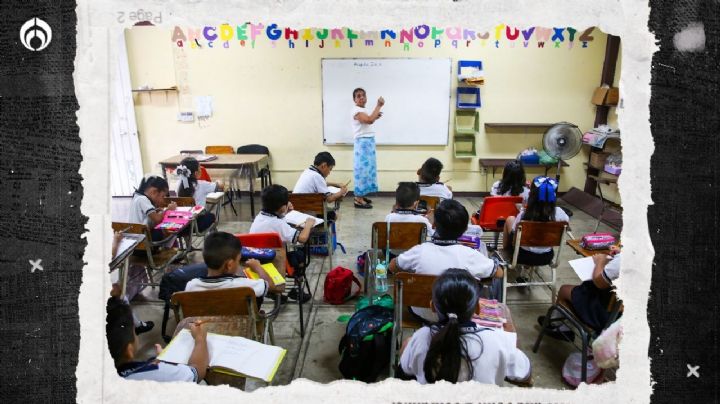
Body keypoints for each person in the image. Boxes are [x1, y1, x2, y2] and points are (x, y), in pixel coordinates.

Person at [398, 268, 532, 386]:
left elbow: (404, 373)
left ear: (432, 306)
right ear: (478, 308)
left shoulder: (420, 338)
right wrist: (510, 331)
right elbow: (526, 376)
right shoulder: (497, 341)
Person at [389, 199, 502, 321]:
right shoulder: (470, 255)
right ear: (465, 230)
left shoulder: (419, 251)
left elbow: (392, 266)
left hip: (421, 313)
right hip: (461, 315)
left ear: (433, 225)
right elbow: (499, 273)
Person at [106, 297, 208, 382]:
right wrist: (200, 338)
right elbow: (197, 372)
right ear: (129, 350)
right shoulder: (157, 373)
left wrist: (152, 364)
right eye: (135, 332)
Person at [249, 184, 315, 302]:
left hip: (257, 259)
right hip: (276, 262)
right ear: (281, 207)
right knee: (300, 253)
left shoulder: (260, 217)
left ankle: (274, 293)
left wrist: (285, 211)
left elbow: (276, 220)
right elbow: (302, 238)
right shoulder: (279, 225)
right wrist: (309, 224)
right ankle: (296, 289)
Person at [539, 248, 622, 341]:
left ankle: (558, 327)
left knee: (564, 290)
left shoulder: (623, 261)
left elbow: (599, 282)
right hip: (623, 315)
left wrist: (600, 262)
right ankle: (563, 326)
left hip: (605, 315)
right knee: (584, 288)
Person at [502, 176, 570, 267]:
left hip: (521, 256)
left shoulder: (523, 215)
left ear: (531, 195)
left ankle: (506, 252)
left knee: (510, 219)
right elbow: (567, 225)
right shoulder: (560, 213)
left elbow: (513, 236)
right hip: (546, 257)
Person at [185, 232, 276, 298]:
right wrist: (258, 267)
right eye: (238, 260)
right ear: (229, 265)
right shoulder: (245, 286)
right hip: (241, 324)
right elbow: (271, 286)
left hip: (205, 324)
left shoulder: (191, 286)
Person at [351, 88, 384, 209]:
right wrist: (378, 106)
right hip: (362, 144)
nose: (361, 98)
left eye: (363, 95)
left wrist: (375, 115)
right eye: (358, 96)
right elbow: (369, 120)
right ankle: (358, 199)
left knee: (368, 171)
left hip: (368, 143)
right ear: (354, 99)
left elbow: (370, 119)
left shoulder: (363, 109)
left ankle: (362, 195)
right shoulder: (356, 110)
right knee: (361, 171)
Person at [175, 156, 223, 232]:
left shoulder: (177, 185)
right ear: (196, 173)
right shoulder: (201, 185)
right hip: (197, 224)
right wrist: (219, 181)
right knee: (211, 216)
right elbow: (220, 186)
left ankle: (188, 242)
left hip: (182, 225)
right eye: (200, 168)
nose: (201, 169)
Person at [129, 175, 177, 241]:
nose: (163, 200)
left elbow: (144, 216)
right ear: (154, 192)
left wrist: (156, 211)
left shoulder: (137, 196)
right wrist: (168, 210)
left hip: (137, 239)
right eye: (163, 196)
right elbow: (157, 219)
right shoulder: (143, 199)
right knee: (168, 229)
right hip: (143, 241)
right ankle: (165, 249)